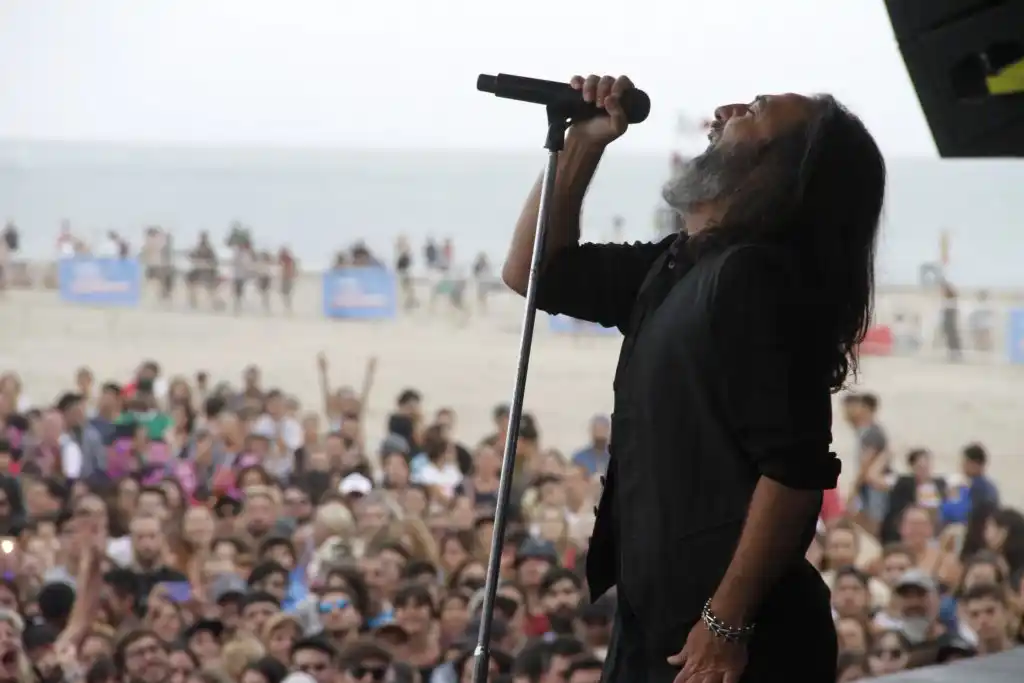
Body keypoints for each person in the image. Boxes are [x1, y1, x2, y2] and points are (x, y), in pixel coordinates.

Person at [502, 74, 885, 682]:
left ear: (779, 170)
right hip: (656, 623)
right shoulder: (677, 263)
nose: (724, 110)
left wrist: (726, 624)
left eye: (753, 110)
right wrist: (584, 142)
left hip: (728, 643)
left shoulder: (754, 280)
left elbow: (794, 472)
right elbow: (534, 272)